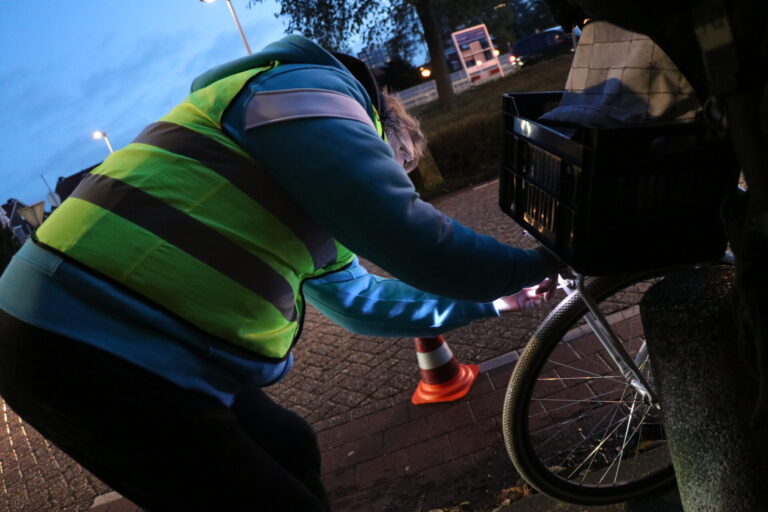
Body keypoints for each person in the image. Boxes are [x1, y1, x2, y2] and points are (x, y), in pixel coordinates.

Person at [0, 35, 557, 511]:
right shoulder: (300, 92)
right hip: (80, 337)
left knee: (289, 445)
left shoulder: (305, 178)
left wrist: (495, 302)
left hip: (124, 340)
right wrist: (541, 259)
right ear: (377, 131)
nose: (390, 177)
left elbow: (362, 302)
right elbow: (410, 235)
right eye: (391, 165)